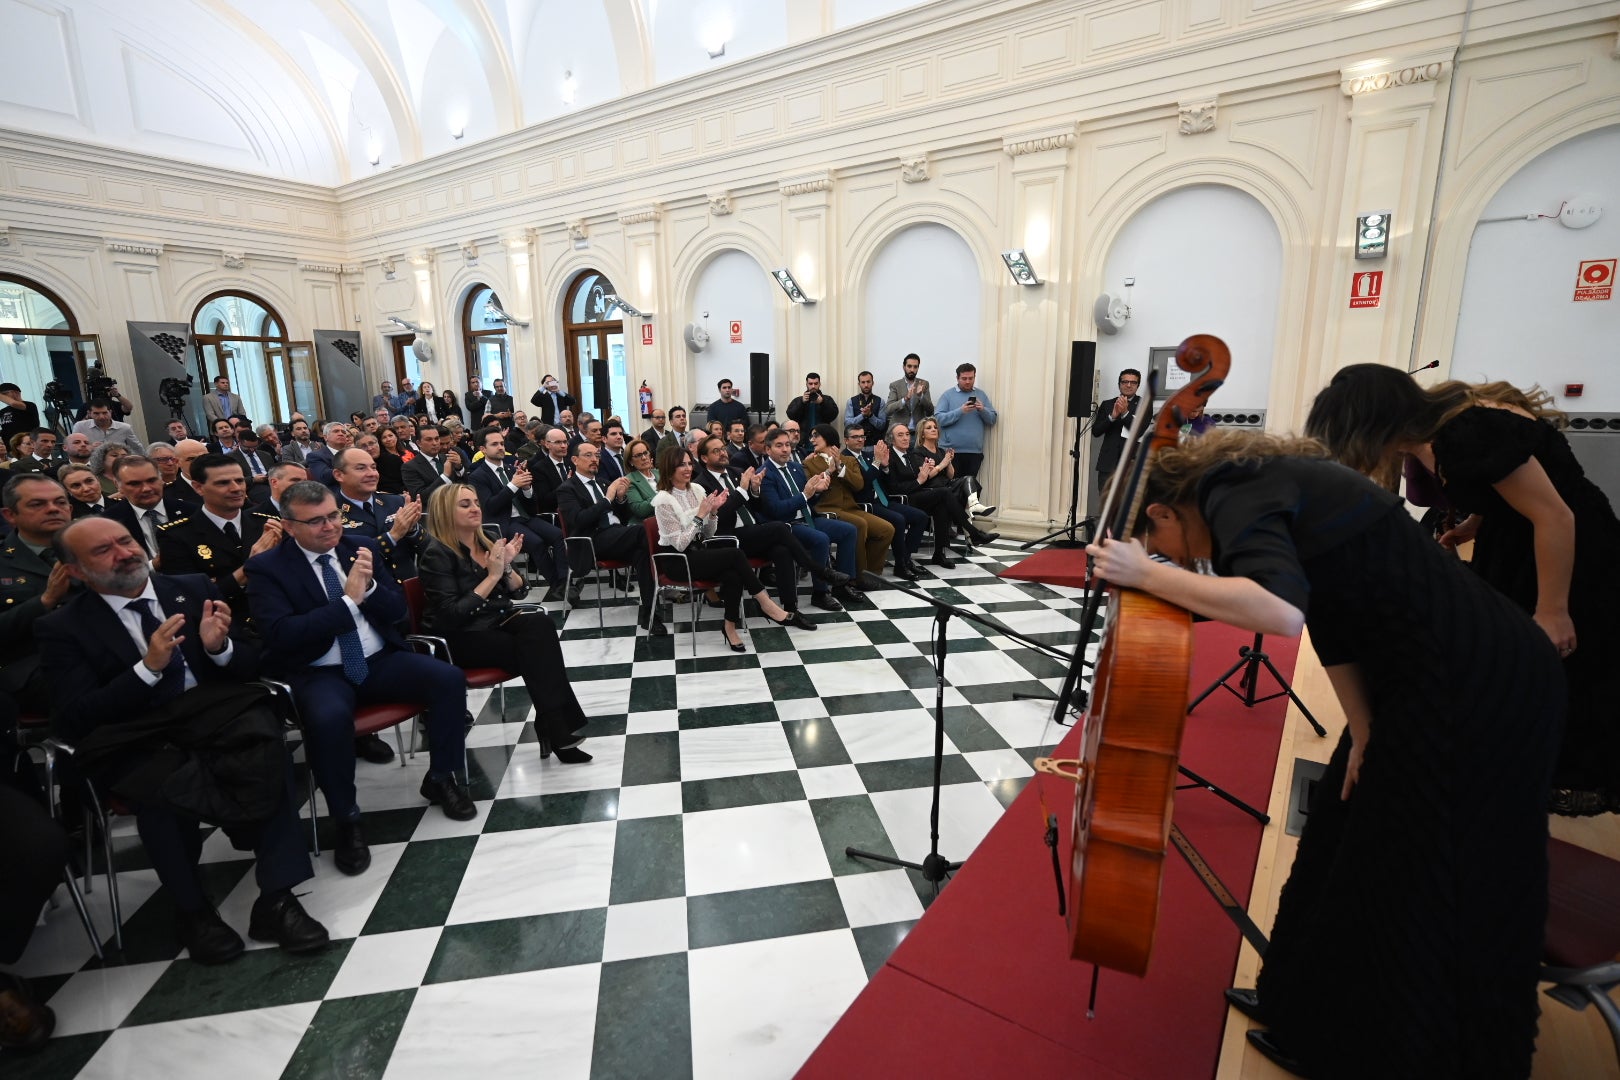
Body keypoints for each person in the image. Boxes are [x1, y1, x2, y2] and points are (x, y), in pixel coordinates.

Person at [1085, 429, 1563, 1080]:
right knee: (1341, 827)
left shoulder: (1235, 492)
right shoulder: (1248, 487)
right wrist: (1364, 730)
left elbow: (1280, 610)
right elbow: (1330, 617)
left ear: (1164, 513)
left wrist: (1143, 574)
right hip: (1417, 677)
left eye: (1160, 546)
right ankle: (1299, 1006)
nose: (1174, 561)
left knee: (1404, 867)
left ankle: (1371, 1047)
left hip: (1475, 682)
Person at [1305, 362, 1620, 816]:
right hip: (1521, 540)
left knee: (1568, 662)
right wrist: (1474, 523)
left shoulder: (1466, 434)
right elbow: (1508, 488)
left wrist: (1553, 610)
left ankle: (1566, 776)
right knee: (1512, 657)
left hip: (1568, 551)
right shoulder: (1447, 421)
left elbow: (1556, 515)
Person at [38, 517, 332, 963]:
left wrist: (219, 649)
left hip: (212, 712)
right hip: (137, 731)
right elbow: (76, 717)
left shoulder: (192, 588)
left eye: (126, 540)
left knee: (266, 753)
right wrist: (148, 669)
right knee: (160, 791)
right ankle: (193, 910)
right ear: (75, 571)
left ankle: (277, 897)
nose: (124, 553)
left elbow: (251, 660)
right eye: (103, 551)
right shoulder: (64, 627)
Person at [245, 481, 475, 877]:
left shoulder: (359, 546)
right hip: (319, 671)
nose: (330, 526)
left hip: (378, 658)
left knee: (449, 679)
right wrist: (348, 602)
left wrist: (367, 588)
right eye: (315, 521)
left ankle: (441, 777)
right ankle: (346, 818)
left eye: (333, 515)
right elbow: (283, 634)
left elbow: (399, 613)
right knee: (328, 720)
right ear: (288, 525)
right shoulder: (267, 568)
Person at [418, 484, 592, 760]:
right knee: (537, 654)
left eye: (476, 502)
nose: (475, 508)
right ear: (444, 512)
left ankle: (553, 723)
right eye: (465, 504)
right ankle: (553, 725)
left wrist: (507, 568)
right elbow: (452, 614)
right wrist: (491, 576)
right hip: (459, 637)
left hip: (494, 622)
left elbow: (520, 592)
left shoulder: (486, 539)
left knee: (541, 625)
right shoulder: (436, 553)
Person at [652, 445, 794, 651]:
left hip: (699, 552)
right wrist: (700, 516)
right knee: (735, 555)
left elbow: (708, 534)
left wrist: (713, 513)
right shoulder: (663, 501)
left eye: (689, 463)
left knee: (733, 574)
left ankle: (729, 626)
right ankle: (766, 603)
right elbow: (680, 543)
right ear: (669, 468)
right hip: (677, 561)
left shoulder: (697, 490)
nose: (687, 468)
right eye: (680, 464)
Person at [693, 435, 837, 627]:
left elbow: (757, 506)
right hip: (726, 538)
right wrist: (743, 491)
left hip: (750, 532)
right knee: (779, 527)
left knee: (782, 550)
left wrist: (754, 490)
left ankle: (790, 609)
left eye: (723, 448)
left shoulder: (736, 471)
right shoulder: (701, 484)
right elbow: (719, 517)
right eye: (715, 451)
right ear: (704, 458)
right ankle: (817, 569)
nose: (722, 453)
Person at [555, 440, 667, 635]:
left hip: (617, 535)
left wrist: (621, 498)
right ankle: (673, 569)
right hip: (592, 539)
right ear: (574, 460)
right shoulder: (567, 489)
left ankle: (649, 614)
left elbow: (623, 516)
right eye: (588, 455)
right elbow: (579, 520)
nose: (594, 460)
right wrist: (608, 499)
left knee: (642, 553)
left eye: (597, 456)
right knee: (644, 531)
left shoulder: (603, 483)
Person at [156, 454, 283, 620]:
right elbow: (189, 599)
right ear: (198, 487)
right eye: (223, 483)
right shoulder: (177, 536)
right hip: (224, 627)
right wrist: (250, 567)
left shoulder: (266, 524)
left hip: (277, 616)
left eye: (239, 480)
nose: (236, 488)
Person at [757, 428, 865, 608]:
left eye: (787, 445)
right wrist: (806, 495)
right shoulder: (765, 474)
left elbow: (809, 499)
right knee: (820, 539)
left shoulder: (796, 467)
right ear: (768, 450)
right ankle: (820, 593)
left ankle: (842, 586)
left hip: (807, 518)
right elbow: (776, 510)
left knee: (849, 530)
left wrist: (817, 491)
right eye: (779, 446)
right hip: (788, 524)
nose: (785, 449)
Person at [467, 426, 571, 602]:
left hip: (525, 517)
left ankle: (563, 583)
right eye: (494, 444)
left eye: (502, 443)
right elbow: (490, 507)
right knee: (537, 543)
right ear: (482, 449)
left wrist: (527, 489)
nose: (501, 447)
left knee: (558, 535)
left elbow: (530, 504)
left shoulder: (510, 469)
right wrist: (513, 485)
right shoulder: (478, 475)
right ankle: (558, 585)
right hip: (503, 522)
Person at [0, 474, 74, 720]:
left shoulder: (95, 549)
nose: (53, 509)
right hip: (32, 665)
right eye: (37, 504)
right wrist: (45, 601)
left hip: (104, 648)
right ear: (10, 515)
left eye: (60, 502)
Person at [802, 424, 895, 577]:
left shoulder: (848, 460)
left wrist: (840, 466)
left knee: (886, 529)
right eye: (811, 436)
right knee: (859, 524)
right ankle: (857, 576)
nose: (812, 440)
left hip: (851, 508)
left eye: (815, 435)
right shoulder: (809, 463)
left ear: (827, 437)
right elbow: (810, 487)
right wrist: (828, 471)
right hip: (827, 509)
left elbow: (858, 484)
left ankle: (872, 573)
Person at [843, 425, 931, 579]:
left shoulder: (868, 455)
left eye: (862, 436)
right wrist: (877, 462)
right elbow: (862, 485)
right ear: (846, 440)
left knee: (921, 517)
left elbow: (887, 483)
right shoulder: (845, 458)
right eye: (855, 437)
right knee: (898, 519)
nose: (860, 440)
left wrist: (885, 467)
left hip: (883, 499)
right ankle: (900, 565)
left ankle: (905, 558)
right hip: (865, 504)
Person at [334, 448, 423, 584]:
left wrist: (412, 530)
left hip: (410, 586)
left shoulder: (395, 501)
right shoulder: (330, 513)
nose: (372, 474)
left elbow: (424, 546)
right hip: (369, 592)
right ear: (339, 475)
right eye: (361, 468)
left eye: (374, 468)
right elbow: (348, 559)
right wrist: (392, 536)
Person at [933, 362, 997, 516]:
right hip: (951, 452)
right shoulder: (948, 395)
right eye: (964, 378)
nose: (968, 381)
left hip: (974, 452)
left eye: (971, 378)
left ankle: (964, 524)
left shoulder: (981, 395)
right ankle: (950, 522)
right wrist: (960, 411)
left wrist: (983, 410)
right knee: (951, 489)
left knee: (970, 491)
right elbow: (938, 420)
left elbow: (992, 419)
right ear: (957, 378)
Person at [105, 455, 190, 558]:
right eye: (135, 484)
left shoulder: (191, 512)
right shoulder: (107, 523)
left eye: (151, 480)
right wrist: (152, 566)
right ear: (118, 485)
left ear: (161, 479)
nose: (146, 489)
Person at [1091, 369, 1142, 513]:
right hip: (1108, 462)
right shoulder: (1107, 404)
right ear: (1119, 384)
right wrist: (1112, 416)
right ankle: (1105, 535)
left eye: (1133, 382)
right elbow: (1096, 431)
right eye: (1125, 381)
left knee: (1128, 507)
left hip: (1131, 463)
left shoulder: (1144, 405)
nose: (1129, 385)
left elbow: (1138, 430)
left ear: (1138, 385)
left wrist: (1125, 413)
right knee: (1106, 506)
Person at [403, 424, 467, 497]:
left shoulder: (448, 458)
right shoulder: (410, 467)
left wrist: (459, 468)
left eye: (437, 439)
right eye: (429, 439)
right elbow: (421, 496)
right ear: (419, 443)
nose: (435, 443)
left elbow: (464, 485)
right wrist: (444, 476)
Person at [72, 399, 144, 456]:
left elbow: (137, 448)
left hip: (119, 466)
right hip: (91, 466)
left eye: (105, 413)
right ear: (89, 414)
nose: (101, 417)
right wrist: (89, 448)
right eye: (96, 413)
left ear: (110, 412)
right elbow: (73, 448)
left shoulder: (124, 428)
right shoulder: (80, 426)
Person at [885, 353, 934, 433]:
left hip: (918, 433)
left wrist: (920, 396)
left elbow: (930, 410)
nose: (912, 370)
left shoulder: (924, 384)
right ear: (904, 367)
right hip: (899, 433)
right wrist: (905, 399)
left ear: (918, 368)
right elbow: (888, 410)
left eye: (915, 367)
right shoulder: (895, 385)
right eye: (909, 366)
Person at [845, 370, 888, 443]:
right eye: (863, 382)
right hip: (856, 443)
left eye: (868, 382)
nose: (866, 385)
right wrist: (862, 415)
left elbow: (882, 425)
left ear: (873, 383)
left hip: (875, 443)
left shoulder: (880, 401)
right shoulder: (851, 401)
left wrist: (871, 415)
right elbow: (848, 425)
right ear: (859, 384)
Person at [623, 439, 660, 521]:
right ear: (630, 461)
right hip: (647, 524)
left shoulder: (659, 473)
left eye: (645, 453)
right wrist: (662, 495)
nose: (644, 458)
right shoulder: (629, 480)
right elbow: (640, 509)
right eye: (638, 455)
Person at [0, 383, 41, 448]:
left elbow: (13, 403)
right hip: (10, 447)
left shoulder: (29, 405)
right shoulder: (3, 411)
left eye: (4, 394)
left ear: (15, 393)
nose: (3, 398)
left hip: (27, 446)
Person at [375, 426, 408, 494]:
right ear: (380, 441)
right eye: (384, 437)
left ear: (396, 436)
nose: (388, 439)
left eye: (390, 435)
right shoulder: (382, 459)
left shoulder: (407, 452)